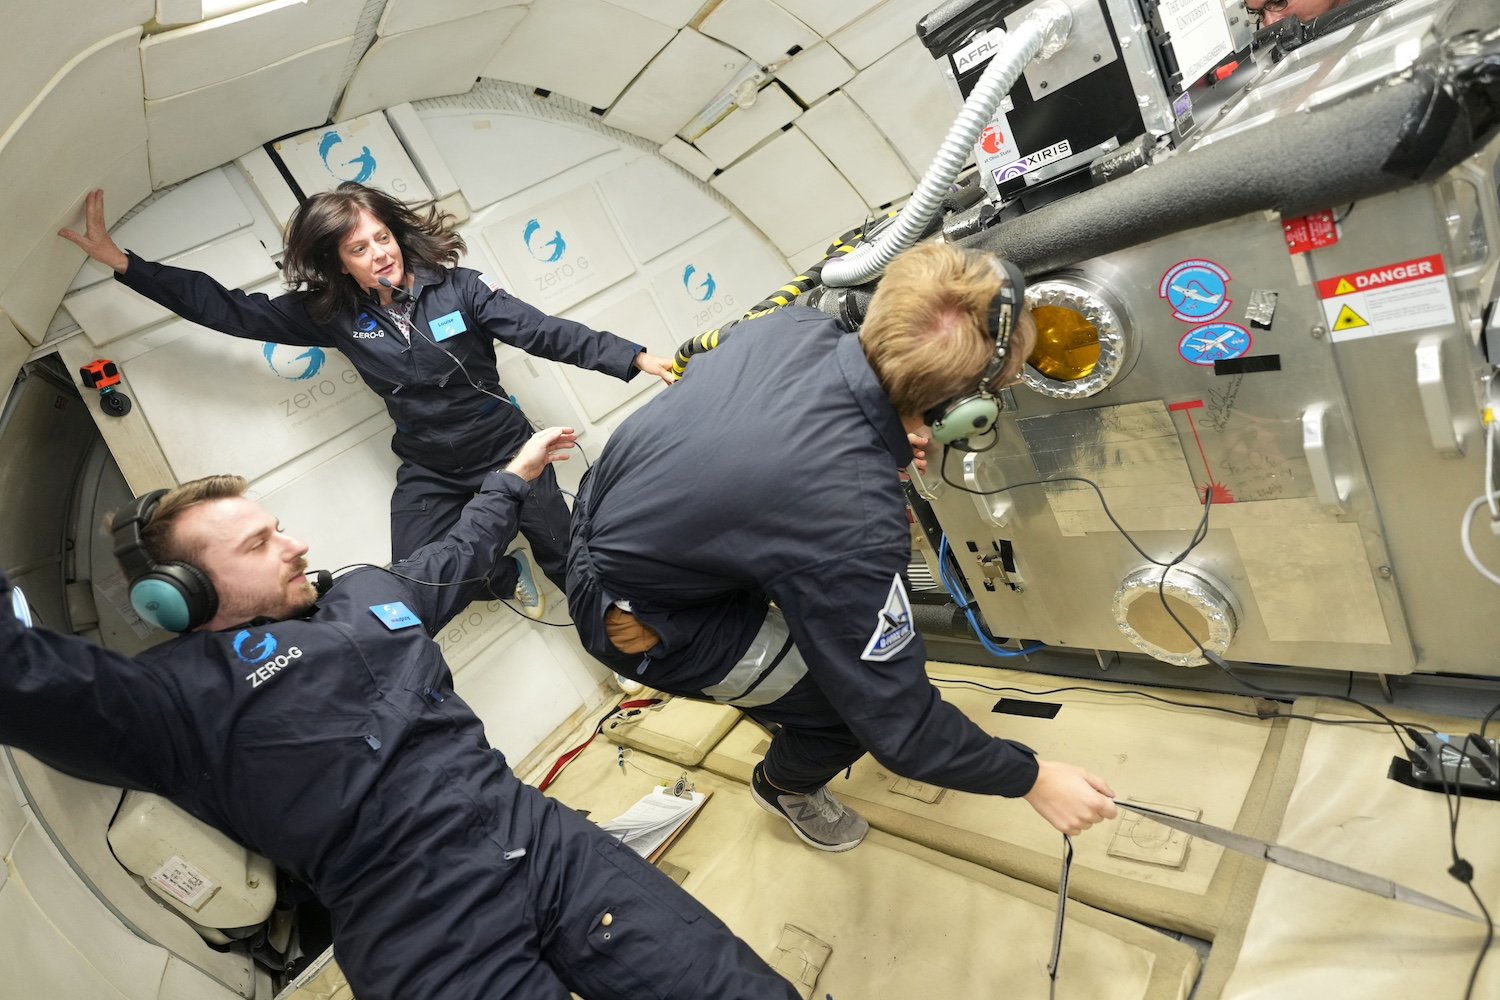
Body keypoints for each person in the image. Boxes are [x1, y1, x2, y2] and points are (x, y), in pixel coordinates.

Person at [0, 426, 798, 1000]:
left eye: (276, 526)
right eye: (257, 544)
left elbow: (463, 550)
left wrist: (514, 477)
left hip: (542, 842)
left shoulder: (367, 595)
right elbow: (21, 675)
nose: (293, 543)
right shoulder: (172, 699)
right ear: (182, 596)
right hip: (418, 922)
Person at [567, 241, 1118, 853]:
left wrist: (874, 439)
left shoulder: (789, 327)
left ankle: (778, 695)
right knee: (843, 712)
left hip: (614, 512)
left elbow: (747, 426)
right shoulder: (850, 520)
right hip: (644, 620)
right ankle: (784, 785)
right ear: (961, 410)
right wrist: (1034, 778)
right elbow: (900, 729)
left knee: (820, 652)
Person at [59, 185, 676, 616]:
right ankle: (497, 576)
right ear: (339, 262)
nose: (380, 254)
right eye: (360, 248)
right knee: (415, 577)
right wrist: (126, 265)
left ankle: (618, 637)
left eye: (383, 238)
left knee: (565, 556)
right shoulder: (332, 314)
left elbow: (546, 332)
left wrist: (637, 357)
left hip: (509, 452)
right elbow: (233, 311)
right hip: (429, 466)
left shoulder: (462, 291)